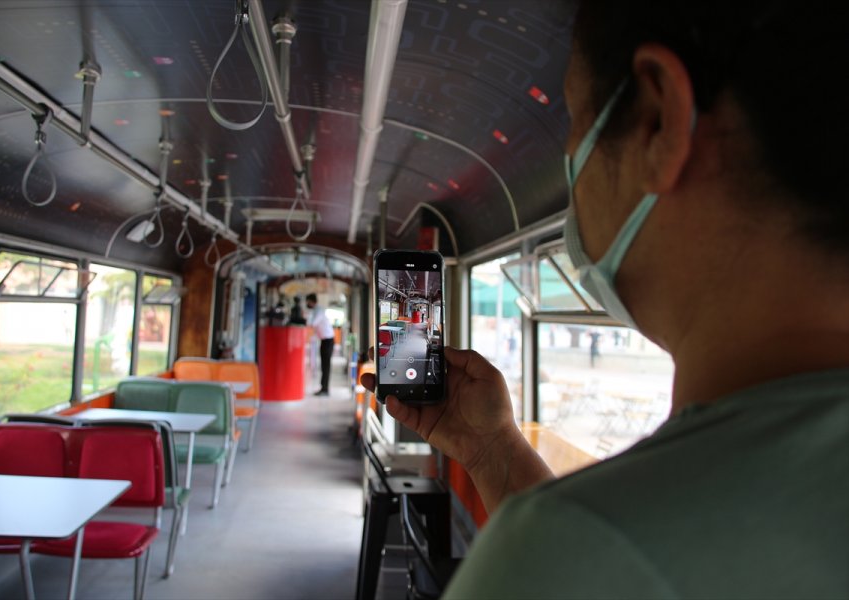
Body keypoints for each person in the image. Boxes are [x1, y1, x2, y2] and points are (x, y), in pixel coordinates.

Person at [362, 1, 848, 597]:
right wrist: (492, 451)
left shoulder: (571, 549)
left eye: (573, 120)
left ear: (655, 122)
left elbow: (590, 558)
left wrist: (543, 539)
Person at [306, 293, 335, 396]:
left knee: (325, 366)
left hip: (328, 340)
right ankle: (323, 388)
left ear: (311, 301)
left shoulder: (318, 310)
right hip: (325, 340)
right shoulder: (316, 310)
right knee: (324, 365)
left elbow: (313, 323)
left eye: (308, 302)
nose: (307, 304)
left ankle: (325, 389)